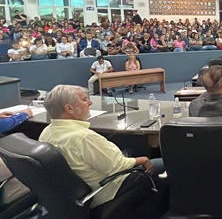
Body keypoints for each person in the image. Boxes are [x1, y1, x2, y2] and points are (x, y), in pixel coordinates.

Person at [38, 85, 167, 215]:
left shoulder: (46, 132)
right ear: (69, 108)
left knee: (130, 150)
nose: (90, 102)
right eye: (84, 100)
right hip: (105, 189)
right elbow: (118, 167)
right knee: (166, 164)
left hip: (76, 192)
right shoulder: (84, 138)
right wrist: (143, 160)